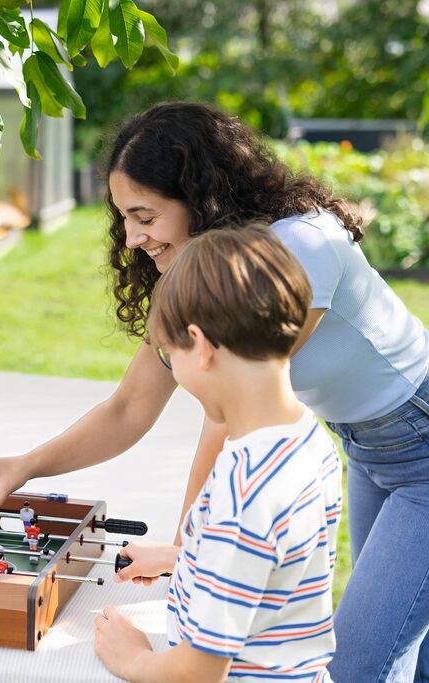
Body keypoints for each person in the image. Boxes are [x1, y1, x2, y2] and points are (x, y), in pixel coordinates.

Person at [0, 101, 429, 681]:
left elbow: (229, 417)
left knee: (364, 666)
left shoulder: (291, 252)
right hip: (369, 446)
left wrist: (190, 564)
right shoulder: (211, 275)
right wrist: (24, 466)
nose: (132, 236)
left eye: (144, 215)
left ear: (201, 199)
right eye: (123, 217)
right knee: (413, 652)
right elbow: (129, 407)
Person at [94, 225, 343, 681]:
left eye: (172, 354)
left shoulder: (243, 486)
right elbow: (274, 563)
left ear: (202, 346)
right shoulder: (309, 439)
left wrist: (133, 657)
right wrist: (183, 559)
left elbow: (201, 669)